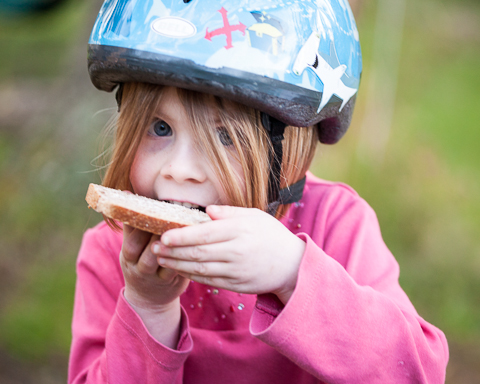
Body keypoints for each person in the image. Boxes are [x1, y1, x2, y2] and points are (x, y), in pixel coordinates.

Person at [69, 0, 448, 383]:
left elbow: (417, 372)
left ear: (290, 145)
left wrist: (291, 273)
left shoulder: (336, 223)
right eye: (160, 128)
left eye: (225, 137)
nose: (179, 170)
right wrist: (147, 306)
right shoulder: (112, 254)